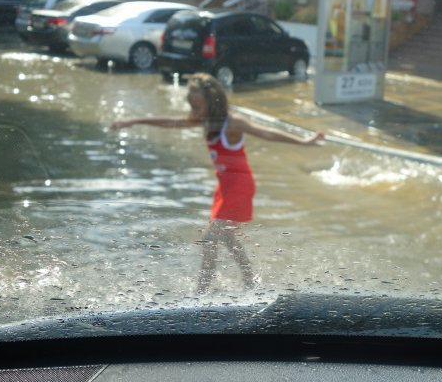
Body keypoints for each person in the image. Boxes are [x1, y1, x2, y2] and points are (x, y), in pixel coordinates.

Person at [110, 73, 325, 293]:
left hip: (240, 186)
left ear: (212, 101)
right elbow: (169, 122)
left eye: (198, 104)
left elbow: (267, 133)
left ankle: (201, 290)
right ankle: (250, 279)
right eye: (192, 104)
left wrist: (304, 142)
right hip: (224, 187)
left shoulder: (233, 123)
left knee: (210, 236)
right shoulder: (204, 121)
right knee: (227, 236)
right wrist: (133, 121)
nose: (195, 110)